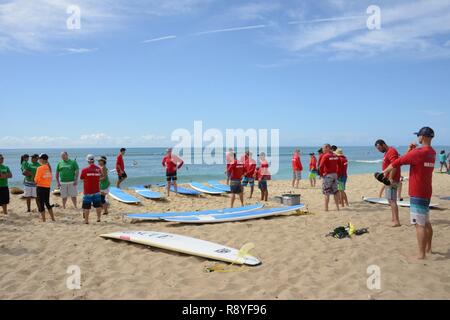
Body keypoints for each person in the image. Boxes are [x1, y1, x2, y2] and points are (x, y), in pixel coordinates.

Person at [383, 127, 436, 260]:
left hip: (418, 191)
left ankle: (421, 254)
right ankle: (428, 248)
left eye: (418, 135)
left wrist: (384, 172)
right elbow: (413, 160)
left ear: (422, 137)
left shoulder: (419, 152)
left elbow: (398, 162)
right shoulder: (432, 152)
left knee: (419, 224)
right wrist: (411, 151)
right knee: (426, 221)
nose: (417, 137)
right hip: (426, 190)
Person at [375, 139, 401, 227]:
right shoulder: (387, 152)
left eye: (379, 148)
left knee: (392, 201)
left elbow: (395, 165)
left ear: (383, 144)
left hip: (392, 180)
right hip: (387, 180)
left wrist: (390, 179)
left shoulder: (391, 151)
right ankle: (394, 219)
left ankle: (396, 221)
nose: (379, 150)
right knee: (390, 200)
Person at [80, 155, 103, 224]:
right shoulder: (99, 169)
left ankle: (86, 220)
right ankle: (98, 218)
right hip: (96, 190)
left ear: (88, 161)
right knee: (98, 205)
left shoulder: (84, 170)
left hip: (87, 191)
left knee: (86, 207)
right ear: (94, 160)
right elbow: (101, 177)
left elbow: (81, 179)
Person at [319, 144, 341, 212]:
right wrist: (337, 173)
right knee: (335, 192)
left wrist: (321, 174)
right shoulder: (335, 155)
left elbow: (320, 166)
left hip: (328, 175)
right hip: (335, 175)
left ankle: (326, 209)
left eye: (323, 148)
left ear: (327, 148)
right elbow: (340, 165)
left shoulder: (325, 156)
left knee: (326, 192)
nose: (322, 150)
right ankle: (337, 208)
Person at [34, 154, 55, 222]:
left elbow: (36, 179)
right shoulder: (49, 167)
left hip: (40, 187)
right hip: (47, 187)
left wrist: (36, 181)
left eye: (39, 158)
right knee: (47, 203)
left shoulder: (40, 168)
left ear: (42, 159)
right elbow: (50, 178)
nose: (38, 160)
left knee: (41, 204)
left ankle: (44, 220)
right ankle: (53, 218)